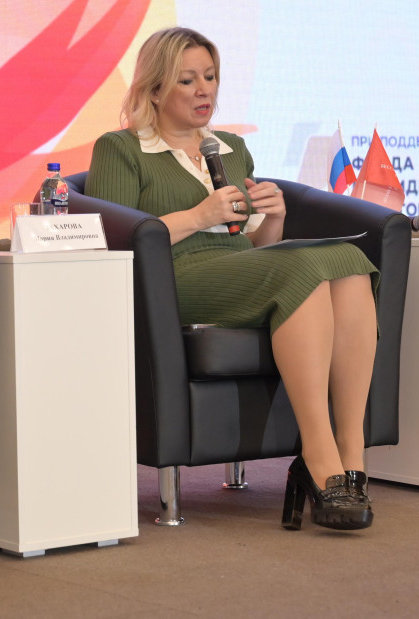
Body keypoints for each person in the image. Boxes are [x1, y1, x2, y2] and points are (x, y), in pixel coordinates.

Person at [86, 27, 380, 530]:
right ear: (154, 90)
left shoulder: (232, 148)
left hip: (241, 270)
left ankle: (352, 456)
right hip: (174, 279)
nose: (204, 90)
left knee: (349, 262)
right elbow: (114, 240)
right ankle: (317, 454)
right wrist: (198, 216)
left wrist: (276, 217)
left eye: (210, 77)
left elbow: (259, 248)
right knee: (306, 267)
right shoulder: (122, 148)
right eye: (187, 80)